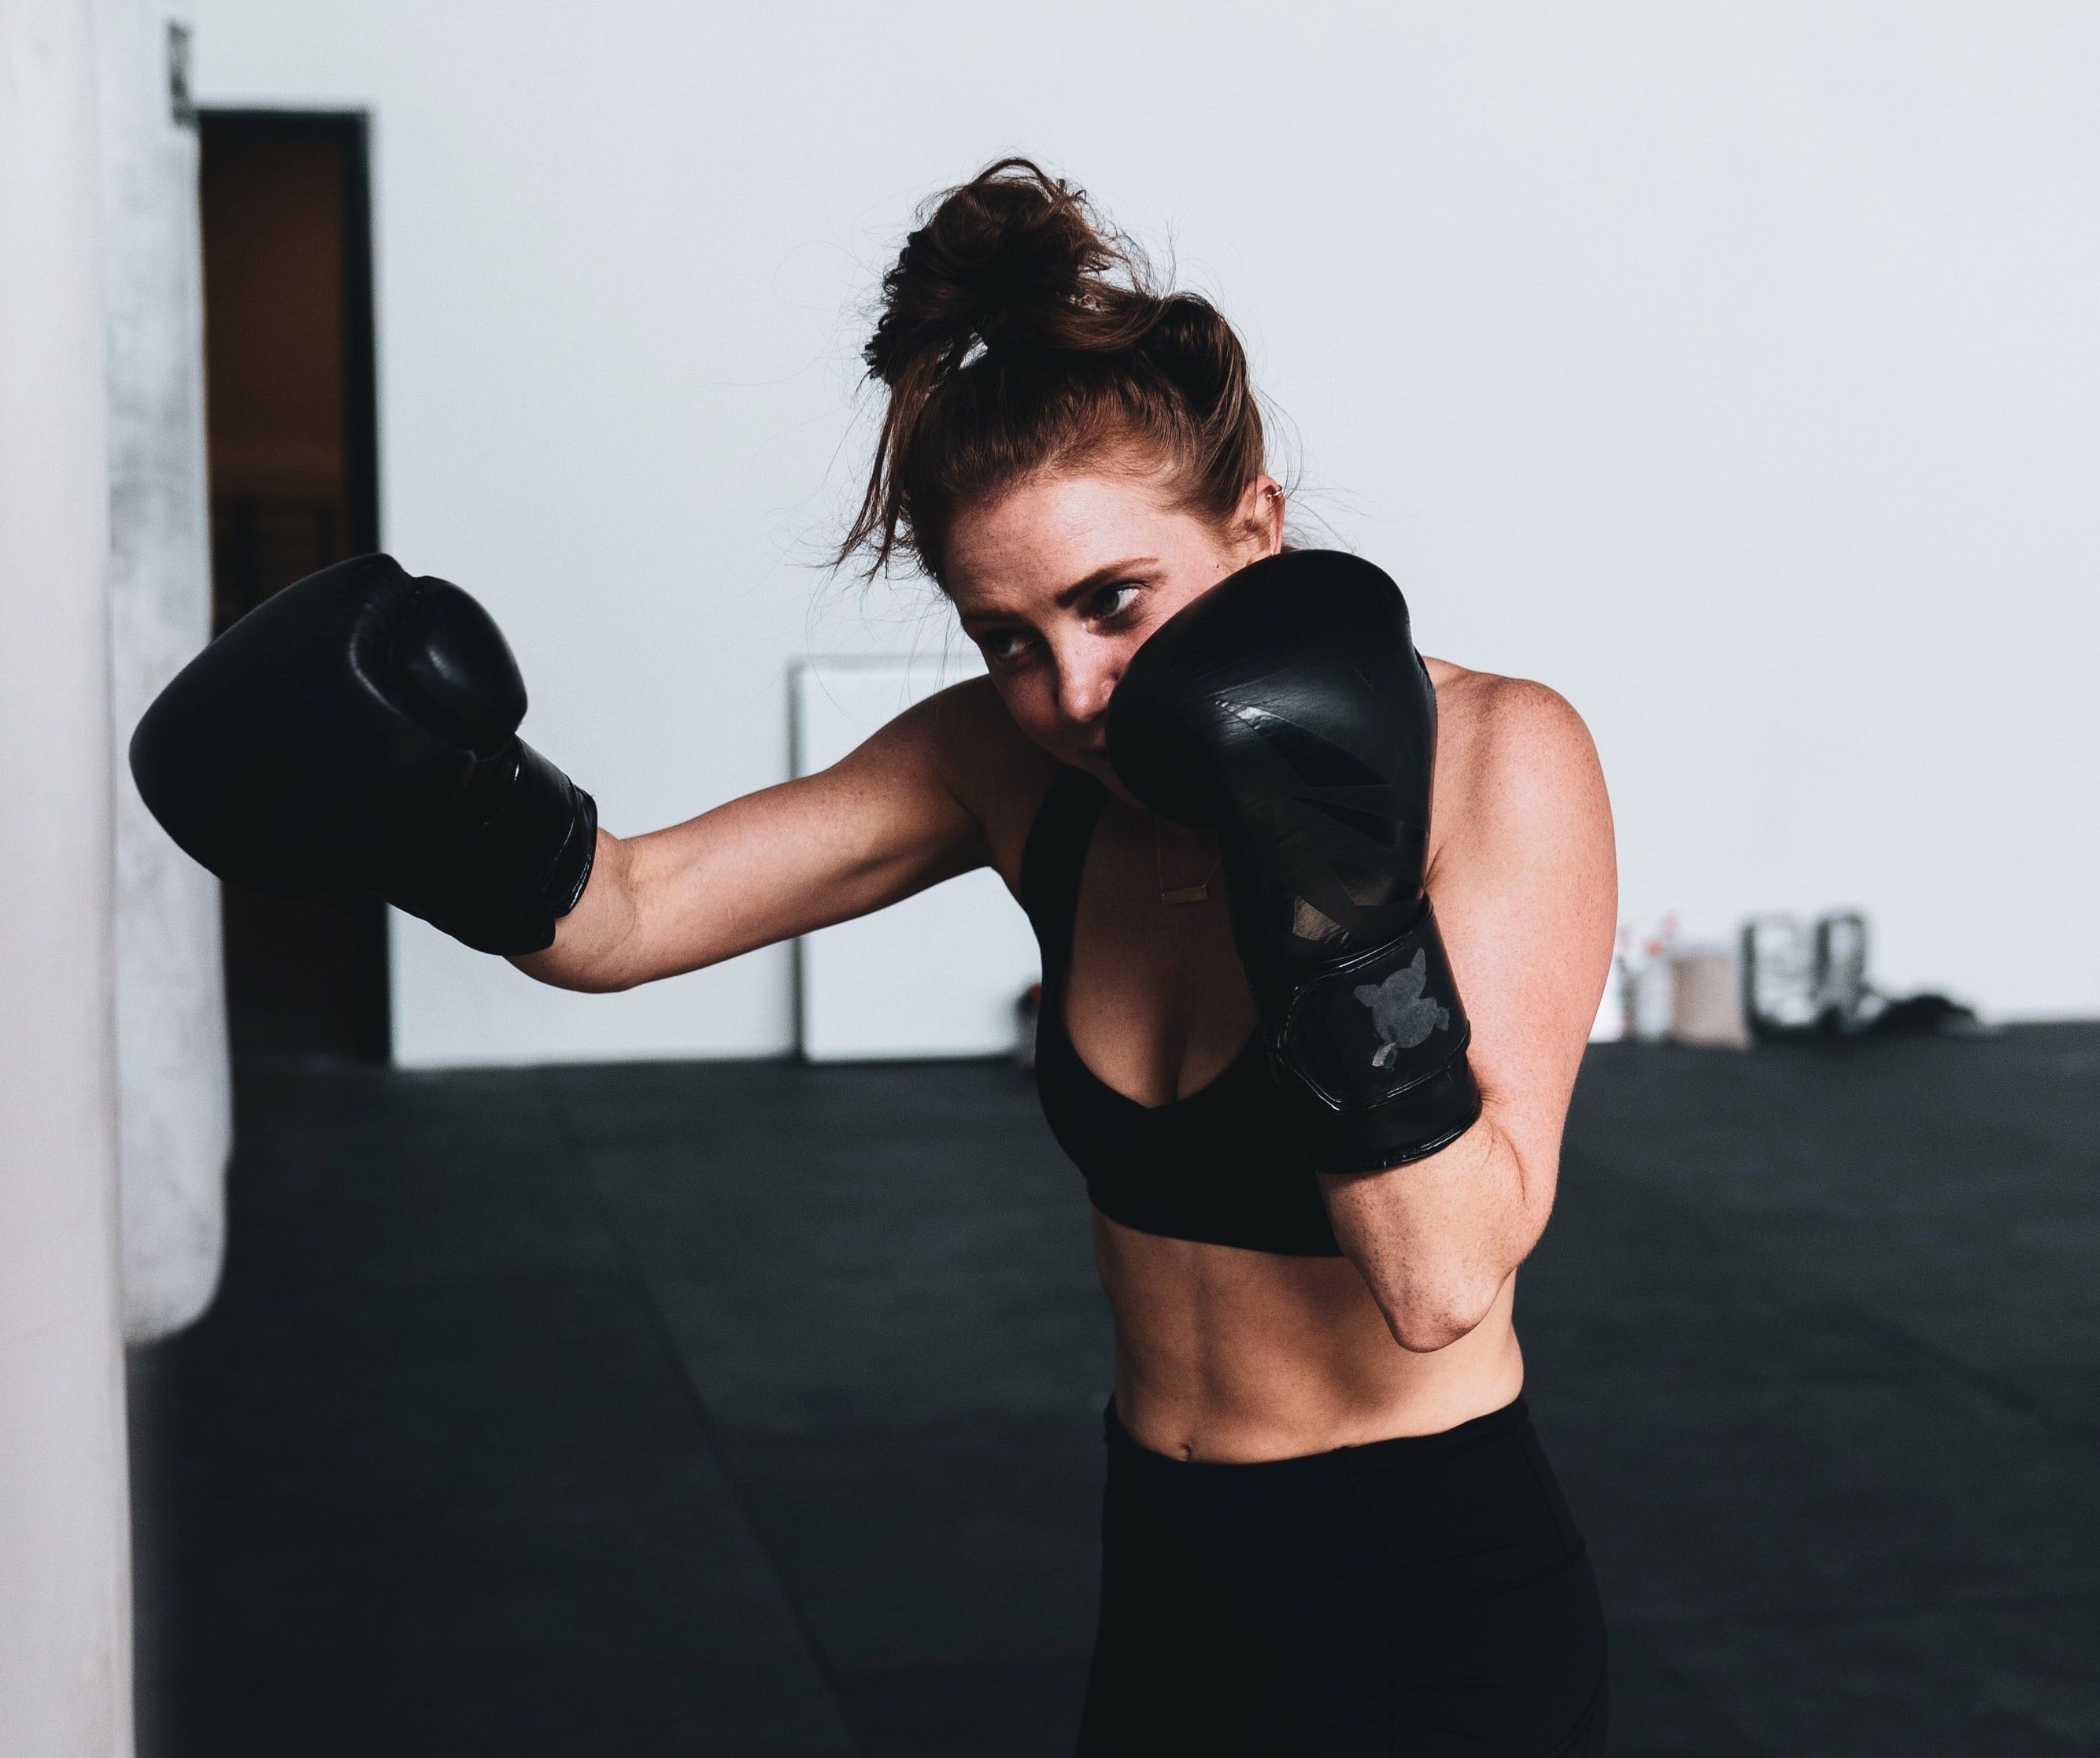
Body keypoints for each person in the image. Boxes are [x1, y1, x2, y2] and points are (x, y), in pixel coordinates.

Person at [133, 158, 1618, 1755]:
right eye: (1009, 636)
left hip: (1419, 1595)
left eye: (1116, 601)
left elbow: (1443, 1279)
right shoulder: (1014, 762)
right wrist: (442, 802)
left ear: (1256, 527)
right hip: (1172, 1571)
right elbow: (628, 913)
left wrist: (1323, 883)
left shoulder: (1495, 759)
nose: (1076, 690)